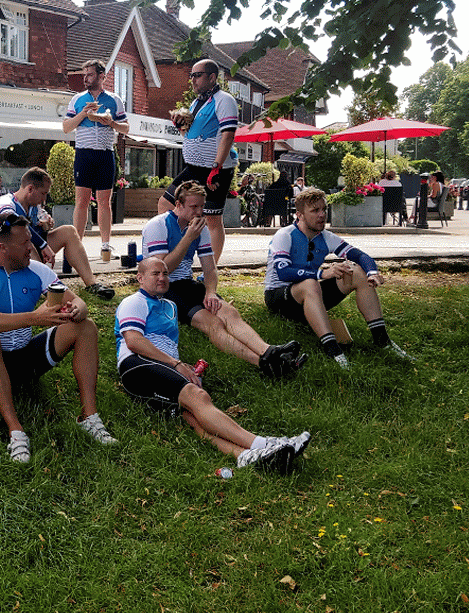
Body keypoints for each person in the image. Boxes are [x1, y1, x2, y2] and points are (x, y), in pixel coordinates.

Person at [116, 257, 309, 474]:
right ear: (140, 278)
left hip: (162, 366)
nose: (162, 278)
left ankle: (247, 456)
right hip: (136, 364)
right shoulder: (134, 301)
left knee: (191, 415)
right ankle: (265, 443)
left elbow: (166, 347)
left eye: (165, 273)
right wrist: (176, 364)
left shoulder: (170, 306)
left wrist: (183, 366)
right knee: (197, 397)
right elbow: (134, 341)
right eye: (155, 273)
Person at [0, 211, 116, 463]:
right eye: (24, 243)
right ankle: (16, 431)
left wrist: (78, 309)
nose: (31, 248)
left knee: (86, 327)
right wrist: (34, 318)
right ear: (3, 248)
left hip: (22, 355)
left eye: (30, 240)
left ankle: (89, 416)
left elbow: (77, 301)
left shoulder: (37, 270)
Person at [143, 181, 306, 376]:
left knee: (229, 313)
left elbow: (210, 268)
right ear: (178, 204)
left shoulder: (200, 227)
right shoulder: (158, 225)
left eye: (202, 206)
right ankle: (264, 364)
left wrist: (211, 292)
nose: (199, 212)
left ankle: (268, 350)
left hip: (186, 283)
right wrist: (188, 238)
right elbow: (163, 271)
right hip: (162, 288)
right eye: (193, 207)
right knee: (213, 324)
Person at [264, 187, 413, 369]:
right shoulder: (285, 235)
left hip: (310, 295)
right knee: (310, 283)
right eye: (315, 210)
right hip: (280, 298)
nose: (322, 215)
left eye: (324, 209)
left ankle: (382, 340)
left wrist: (372, 273)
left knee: (356, 272)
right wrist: (322, 274)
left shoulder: (326, 237)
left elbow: (360, 256)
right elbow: (284, 272)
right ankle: (333, 349)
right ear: (300, 215)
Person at [0, 166, 115, 300]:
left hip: (24, 251)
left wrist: (46, 225)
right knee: (27, 243)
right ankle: (47, 288)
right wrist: (43, 245)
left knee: (69, 231)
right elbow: (13, 223)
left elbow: (37, 225)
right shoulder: (5, 202)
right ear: (30, 189)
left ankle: (92, 284)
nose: (44, 199)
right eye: (43, 193)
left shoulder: (34, 205)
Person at [159, 59, 239, 263]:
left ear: (212, 77)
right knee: (166, 204)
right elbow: (190, 135)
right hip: (193, 168)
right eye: (191, 76)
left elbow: (228, 135)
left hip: (215, 169)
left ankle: (210, 269)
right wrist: (180, 126)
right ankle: (176, 256)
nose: (192, 80)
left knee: (212, 219)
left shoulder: (224, 100)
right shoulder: (196, 103)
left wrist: (216, 167)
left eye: (197, 75)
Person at [63, 59, 129, 257]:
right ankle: (77, 245)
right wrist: (83, 114)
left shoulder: (114, 99)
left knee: (104, 201)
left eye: (90, 74)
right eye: (84, 75)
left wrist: (111, 123)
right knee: (81, 201)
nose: (86, 78)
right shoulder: (77, 99)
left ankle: (105, 245)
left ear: (102, 77)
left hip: (105, 153)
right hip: (84, 152)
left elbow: (126, 128)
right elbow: (66, 128)